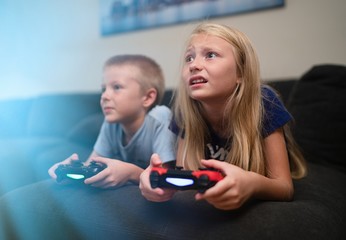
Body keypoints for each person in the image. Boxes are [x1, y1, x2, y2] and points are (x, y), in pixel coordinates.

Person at [139, 23, 307, 210]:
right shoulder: (184, 111)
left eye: (210, 55)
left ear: (241, 73)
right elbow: (187, 178)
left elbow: (284, 187)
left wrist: (251, 184)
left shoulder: (265, 102)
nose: (194, 65)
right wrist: (154, 180)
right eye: (189, 58)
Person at [49, 54, 176, 188]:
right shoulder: (111, 124)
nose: (104, 96)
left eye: (116, 87)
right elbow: (92, 166)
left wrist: (131, 173)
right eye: (104, 89)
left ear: (147, 98)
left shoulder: (160, 118)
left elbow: (163, 177)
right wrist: (70, 170)